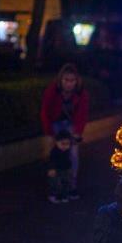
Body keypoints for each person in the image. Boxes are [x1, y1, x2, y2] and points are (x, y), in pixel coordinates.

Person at [40, 63, 90, 199]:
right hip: (55, 123)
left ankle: (70, 186)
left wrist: (78, 132)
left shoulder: (81, 93)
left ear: (76, 81)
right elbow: (45, 111)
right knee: (55, 154)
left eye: (72, 80)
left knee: (73, 153)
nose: (69, 83)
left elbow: (82, 114)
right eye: (66, 80)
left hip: (70, 124)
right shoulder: (53, 90)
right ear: (61, 80)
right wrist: (49, 132)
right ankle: (55, 188)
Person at [47, 130, 73, 204]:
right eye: (62, 143)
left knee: (66, 182)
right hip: (57, 170)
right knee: (56, 183)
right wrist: (51, 169)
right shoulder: (54, 151)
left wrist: (69, 167)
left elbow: (68, 159)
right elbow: (51, 160)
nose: (65, 146)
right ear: (56, 142)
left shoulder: (67, 150)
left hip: (66, 169)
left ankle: (64, 195)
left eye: (67, 143)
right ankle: (53, 195)